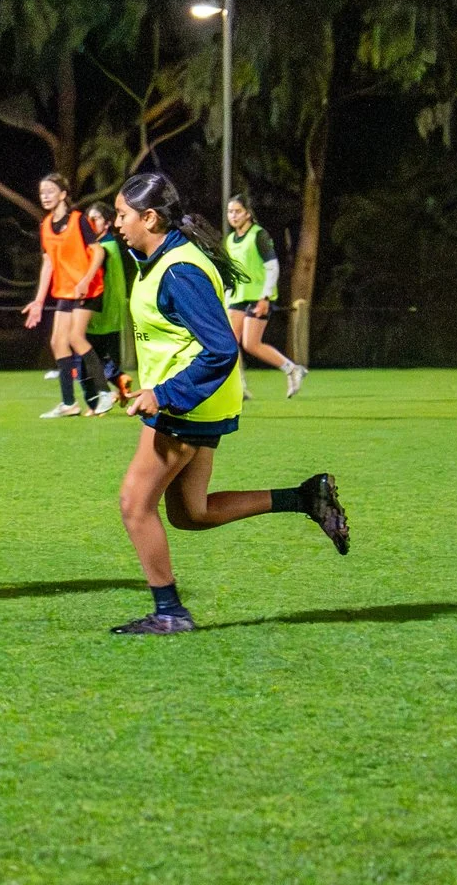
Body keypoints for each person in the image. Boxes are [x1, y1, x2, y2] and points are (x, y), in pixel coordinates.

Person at [108, 172, 346, 635]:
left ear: (150, 217)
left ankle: (170, 613)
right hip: (200, 402)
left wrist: (163, 393)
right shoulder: (162, 258)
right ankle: (306, 497)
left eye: (122, 215)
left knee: (134, 505)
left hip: (186, 406)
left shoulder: (179, 270)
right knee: (190, 513)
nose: (116, 223)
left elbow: (220, 349)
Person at [22, 174, 111, 417]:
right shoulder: (45, 227)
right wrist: (39, 301)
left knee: (75, 337)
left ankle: (105, 393)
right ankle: (69, 403)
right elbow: (48, 265)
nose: (46, 196)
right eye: (42, 192)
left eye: (50, 191)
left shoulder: (79, 220)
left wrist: (85, 279)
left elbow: (98, 252)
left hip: (88, 288)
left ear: (63, 194)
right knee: (57, 342)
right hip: (65, 290)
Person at [225, 195, 308, 398]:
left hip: (257, 296)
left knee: (250, 344)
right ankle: (239, 386)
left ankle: (293, 369)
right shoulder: (229, 240)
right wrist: (227, 295)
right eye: (230, 212)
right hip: (238, 297)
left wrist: (265, 297)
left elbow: (272, 267)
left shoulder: (258, 235)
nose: (233, 216)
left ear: (247, 213)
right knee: (228, 343)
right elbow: (232, 272)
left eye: (237, 211)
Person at [85, 201, 133, 401]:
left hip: (100, 312)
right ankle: (119, 384)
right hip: (114, 312)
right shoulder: (112, 244)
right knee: (103, 355)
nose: (90, 223)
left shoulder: (101, 249)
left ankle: (96, 401)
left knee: (85, 354)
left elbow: (95, 280)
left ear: (107, 223)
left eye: (95, 219)